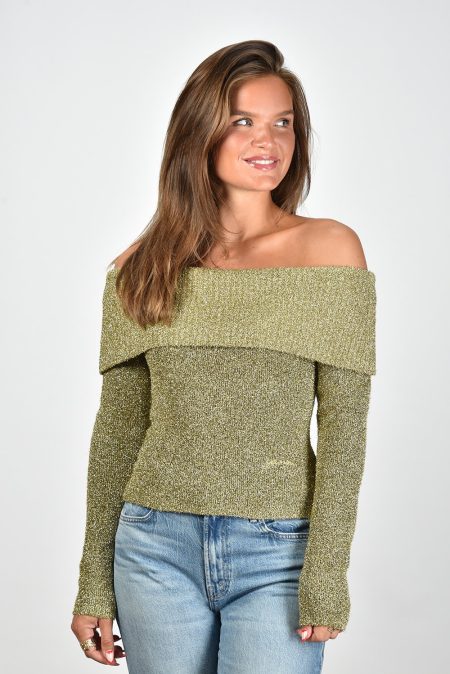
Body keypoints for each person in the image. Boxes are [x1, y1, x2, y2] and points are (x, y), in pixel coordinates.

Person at [71, 39, 376, 673]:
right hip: (152, 546)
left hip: (279, 553)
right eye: (243, 120)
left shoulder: (330, 251)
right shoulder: (143, 266)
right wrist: (93, 583)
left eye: (283, 122)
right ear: (200, 133)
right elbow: (118, 433)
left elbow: (345, 430)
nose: (269, 139)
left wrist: (326, 571)